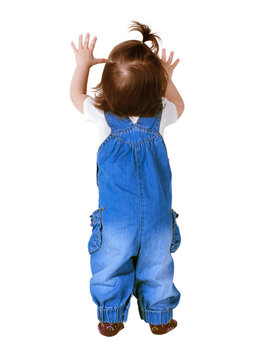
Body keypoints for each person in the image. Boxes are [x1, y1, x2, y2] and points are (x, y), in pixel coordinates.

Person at [70, 21, 184, 336]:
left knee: (110, 265)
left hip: (116, 219)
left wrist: (82, 65)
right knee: (157, 267)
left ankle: (110, 316)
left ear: (107, 85)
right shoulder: (161, 113)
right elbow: (181, 105)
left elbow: (75, 94)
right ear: (156, 87)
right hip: (157, 218)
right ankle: (160, 316)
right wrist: (168, 79)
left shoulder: (100, 114)